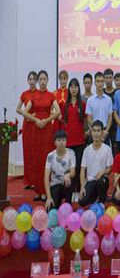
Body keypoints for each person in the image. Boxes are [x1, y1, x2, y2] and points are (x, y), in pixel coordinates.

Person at [22, 70, 60, 201]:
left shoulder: (51, 95)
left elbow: (58, 111)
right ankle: (38, 191)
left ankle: (45, 191)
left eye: (44, 79)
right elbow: (24, 112)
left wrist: (47, 120)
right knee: (37, 159)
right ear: (38, 81)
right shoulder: (34, 96)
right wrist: (36, 120)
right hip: (36, 130)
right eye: (41, 79)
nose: (42, 81)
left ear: (47, 80)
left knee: (46, 159)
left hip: (48, 129)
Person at [79, 120, 113, 206]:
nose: (96, 133)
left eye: (98, 131)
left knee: (102, 181)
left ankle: (101, 201)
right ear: (91, 132)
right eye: (94, 131)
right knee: (82, 201)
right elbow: (82, 170)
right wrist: (82, 187)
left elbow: (110, 168)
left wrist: (103, 171)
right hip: (90, 181)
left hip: (102, 181)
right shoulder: (87, 150)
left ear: (102, 132)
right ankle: (94, 198)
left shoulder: (107, 149)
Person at [63, 78, 86, 199]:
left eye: (75, 87)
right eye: (71, 87)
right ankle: (70, 192)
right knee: (69, 168)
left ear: (78, 88)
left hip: (80, 141)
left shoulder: (82, 104)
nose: (73, 89)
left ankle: (78, 191)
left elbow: (85, 121)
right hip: (69, 142)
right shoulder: (65, 105)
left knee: (78, 167)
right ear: (69, 89)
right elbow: (64, 121)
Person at [44, 130, 76, 210]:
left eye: (63, 140)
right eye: (59, 140)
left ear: (66, 141)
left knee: (70, 180)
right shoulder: (50, 156)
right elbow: (46, 177)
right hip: (55, 185)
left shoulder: (71, 153)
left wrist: (67, 175)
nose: (61, 142)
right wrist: (49, 197)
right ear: (55, 142)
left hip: (66, 184)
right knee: (50, 210)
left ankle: (68, 203)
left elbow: (73, 172)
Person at [17, 71, 37, 190]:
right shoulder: (24, 94)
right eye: (30, 79)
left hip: (36, 125)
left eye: (34, 79)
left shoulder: (39, 94)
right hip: (27, 126)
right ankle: (28, 181)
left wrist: (33, 115)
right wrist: (26, 114)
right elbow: (18, 109)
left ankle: (35, 181)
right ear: (28, 81)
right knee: (27, 152)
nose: (32, 81)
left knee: (35, 153)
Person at [85, 72, 113, 145]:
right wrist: (96, 131)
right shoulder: (90, 100)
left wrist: (105, 131)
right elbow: (89, 118)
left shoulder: (108, 99)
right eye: (98, 81)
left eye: (101, 81)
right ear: (94, 83)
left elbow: (110, 118)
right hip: (94, 132)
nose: (100, 83)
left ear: (104, 82)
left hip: (105, 132)